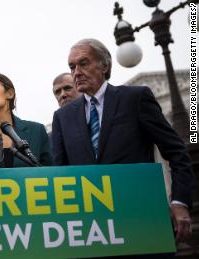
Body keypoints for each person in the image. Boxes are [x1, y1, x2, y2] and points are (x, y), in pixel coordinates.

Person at [52, 38, 194, 257]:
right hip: (93, 231)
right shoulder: (62, 117)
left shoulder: (135, 98)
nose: (76, 72)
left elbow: (176, 152)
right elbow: (60, 173)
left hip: (143, 222)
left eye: (83, 63)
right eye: (72, 67)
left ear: (104, 65)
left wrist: (179, 202)